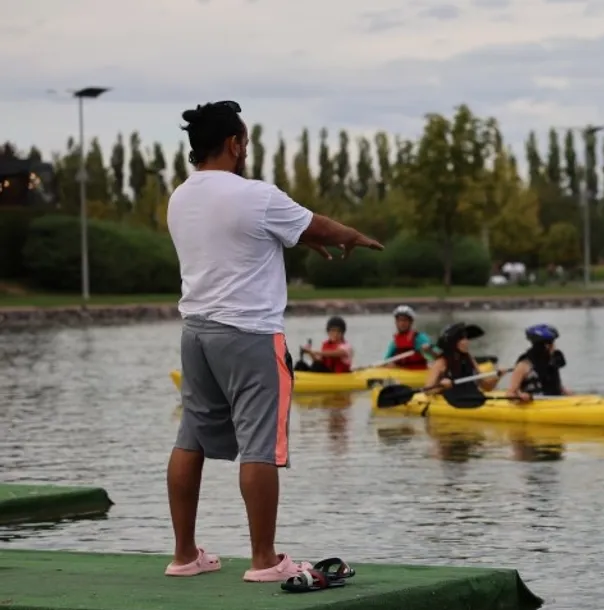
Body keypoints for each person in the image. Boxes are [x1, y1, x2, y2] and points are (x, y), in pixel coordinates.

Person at [164, 100, 383, 582]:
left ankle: (184, 556)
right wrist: (351, 235)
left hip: (196, 333)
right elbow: (315, 225)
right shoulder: (255, 195)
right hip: (250, 335)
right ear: (233, 143)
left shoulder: (180, 197)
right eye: (245, 141)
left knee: (190, 439)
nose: (246, 149)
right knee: (260, 444)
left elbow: (249, 236)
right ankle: (264, 560)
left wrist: (301, 236)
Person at [421, 322, 503, 400]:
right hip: (449, 401)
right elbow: (427, 391)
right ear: (452, 342)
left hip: (470, 398)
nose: (467, 342)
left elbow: (486, 387)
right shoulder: (441, 362)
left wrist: (498, 376)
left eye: (466, 338)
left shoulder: (469, 358)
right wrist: (441, 387)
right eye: (462, 339)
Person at [507, 323, 571, 401]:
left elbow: (554, 384)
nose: (554, 347)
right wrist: (521, 396)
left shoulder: (550, 362)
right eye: (552, 344)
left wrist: (565, 391)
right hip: (534, 405)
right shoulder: (524, 365)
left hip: (554, 403)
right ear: (545, 346)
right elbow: (510, 393)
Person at [384, 305, 433, 369]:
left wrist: (428, 351)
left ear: (411, 322)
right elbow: (386, 360)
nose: (402, 323)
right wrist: (388, 364)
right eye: (399, 320)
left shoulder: (420, 338)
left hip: (419, 371)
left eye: (405, 320)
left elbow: (433, 357)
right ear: (396, 322)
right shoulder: (395, 342)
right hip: (401, 372)